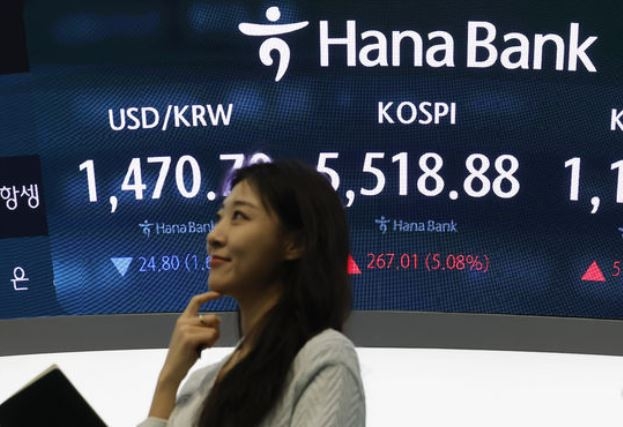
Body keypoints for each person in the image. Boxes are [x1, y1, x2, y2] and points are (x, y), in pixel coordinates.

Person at [139, 160, 366, 427]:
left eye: (239, 216)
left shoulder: (324, 357)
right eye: (220, 217)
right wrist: (169, 379)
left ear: (295, 243)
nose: (214, 236)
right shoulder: (200, 383)